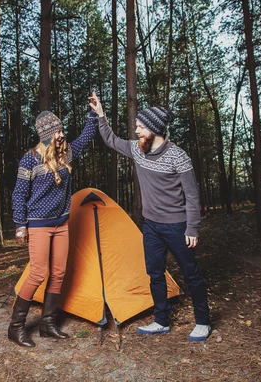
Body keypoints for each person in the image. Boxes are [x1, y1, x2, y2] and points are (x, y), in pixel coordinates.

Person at [89, 92, 211, 341]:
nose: (136, 131)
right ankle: (161, 321)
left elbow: (192, 195)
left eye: (141, 127)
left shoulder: (179, 156)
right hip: (151, 226)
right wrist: (101, 115)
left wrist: (192, 228)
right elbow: (111, 140)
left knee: (191, 273)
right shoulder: (137, 149)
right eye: (137, 126)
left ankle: (203, 321)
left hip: (178, 226)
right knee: (155, 273)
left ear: (155, 130)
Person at [9, 106, 98, 347]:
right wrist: (20, 225)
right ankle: (15, 327)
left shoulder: (64, 156)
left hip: (61, 224)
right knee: (38, 273)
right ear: (45, 135)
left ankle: (48, 324)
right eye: (56, 132)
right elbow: (19, 194)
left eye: (61, 130)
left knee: (58, 273)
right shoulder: (29, 160)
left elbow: (86, 136)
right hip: (38, 225)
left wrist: (93, 113)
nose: (61, 135)